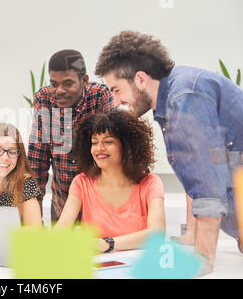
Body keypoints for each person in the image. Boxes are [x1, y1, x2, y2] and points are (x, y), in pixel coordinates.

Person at [94, 30, 243, 272]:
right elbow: (195, 175)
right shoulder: (173, 96)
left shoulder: (184, 96)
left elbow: (208, 188)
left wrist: (201, 261)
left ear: (141, 79)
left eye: (116, 90)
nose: (115, 102)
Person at [55, 111, 165, 252]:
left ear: (127, 147)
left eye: (108, 142)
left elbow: (157, 234)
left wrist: (107, 244)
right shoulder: (81, 182)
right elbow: (62, 227)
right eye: (94, 143)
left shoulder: (150, 184)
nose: (99, 148)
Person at [28, 49, 115, 222]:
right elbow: (37, 162)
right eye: (54, 84)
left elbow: (111, 156)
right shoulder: (44, 100)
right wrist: (33, 222)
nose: (59, 90)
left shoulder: (100, 96)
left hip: (98, 209)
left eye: (68, 83)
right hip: (61, 208)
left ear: (84, 80)